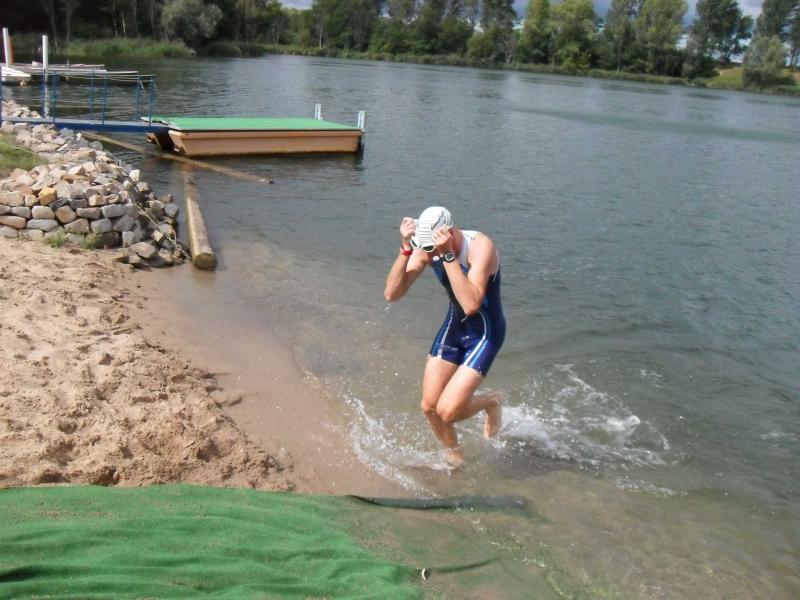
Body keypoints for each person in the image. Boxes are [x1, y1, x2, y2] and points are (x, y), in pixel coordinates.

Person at [384, 206, 506, 467]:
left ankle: (492, 401)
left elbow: (471, 304)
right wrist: (405, 249)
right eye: (424, 246)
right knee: (429, 407)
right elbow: (392, 294)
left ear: (448, 232)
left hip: (485, 333)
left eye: (430, 247)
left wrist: (447, 256)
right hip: (454, 329)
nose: (427, 252)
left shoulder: (479, 247)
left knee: (448, 411)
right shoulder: (428, 248)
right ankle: (456, 458)